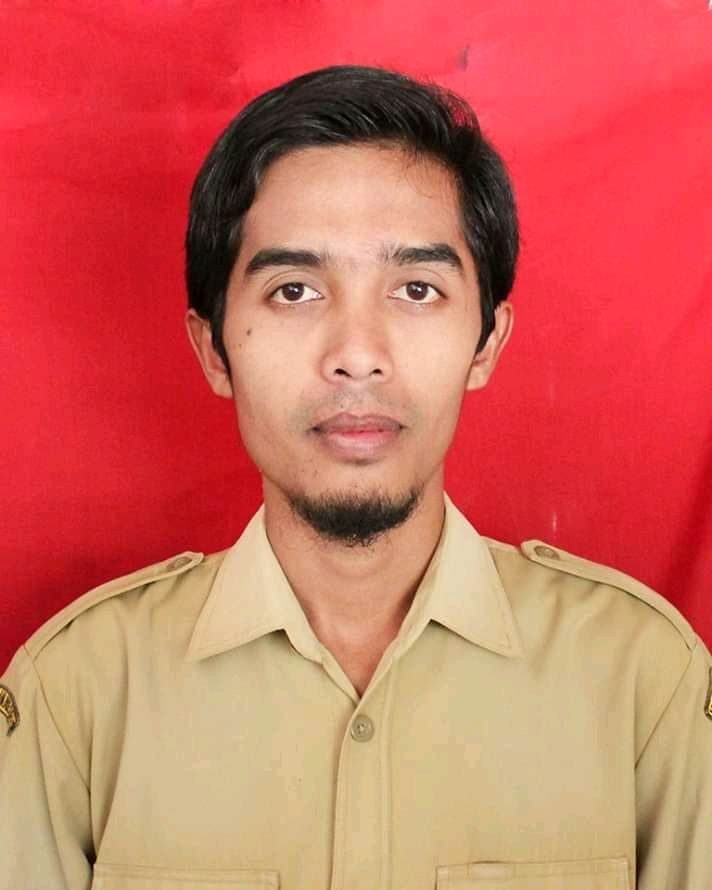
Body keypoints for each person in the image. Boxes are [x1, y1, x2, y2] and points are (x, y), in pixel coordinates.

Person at [0, 66, 710, 890]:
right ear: (214, 349)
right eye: (295, 290)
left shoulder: (642, 681)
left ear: (486, 343)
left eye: (417, 289)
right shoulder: (77, 696)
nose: (357, 355)